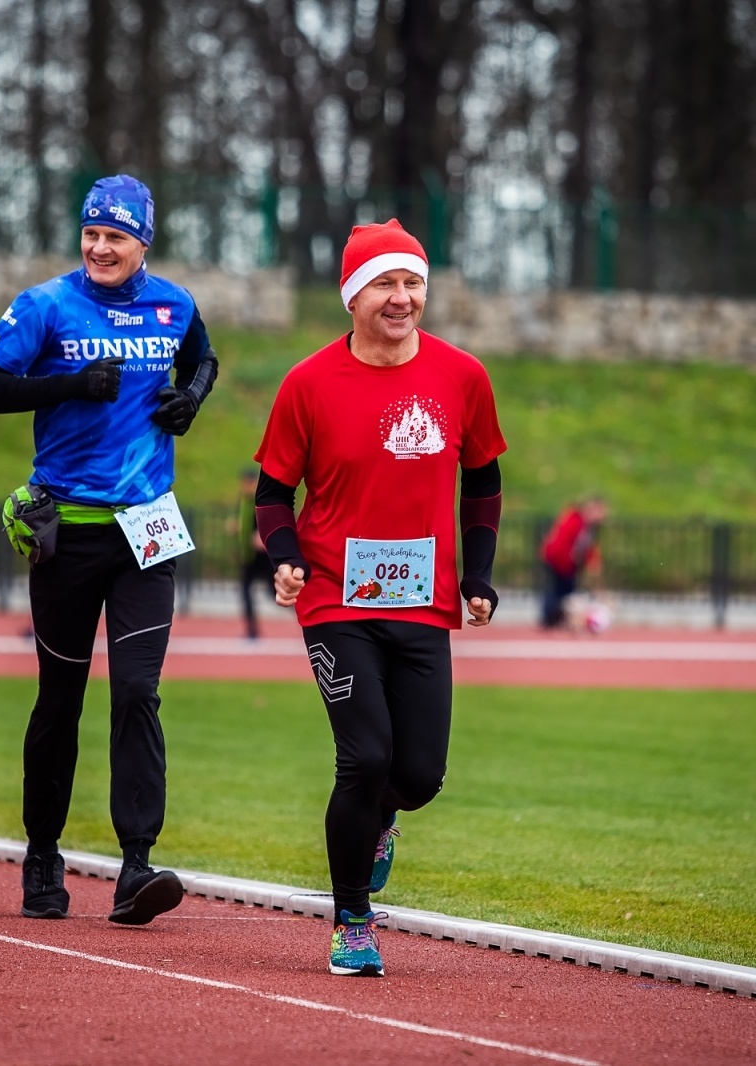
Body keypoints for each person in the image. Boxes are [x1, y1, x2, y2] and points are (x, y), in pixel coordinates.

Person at [0, 174, 218, 925]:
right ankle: (43, 854)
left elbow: (203, 360)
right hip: (67, 533)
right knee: (60, 702)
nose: (101, 247)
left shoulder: (176, 305)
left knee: (138, 692)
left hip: (147, 532)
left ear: (144, 243)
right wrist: (68, 382)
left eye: (117, 236)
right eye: (92, 234)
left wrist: (190, 400)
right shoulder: (46, 304)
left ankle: (137, 867)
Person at [253, 219, 505, 976]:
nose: (402, 298)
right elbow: (272, 492)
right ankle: (352, 919)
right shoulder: (309, 382)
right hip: (336, 596)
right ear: (352, 296)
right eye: (385, 284)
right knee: (364, 756)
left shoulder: (463, 377)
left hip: (422, 603)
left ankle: (383, 823)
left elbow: (484, 478)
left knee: (419, 775)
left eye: (413, 283)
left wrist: (479, 574)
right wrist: (288, 556)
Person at [539, 497, 608, 629]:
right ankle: (550, 619)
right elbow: (562, 544)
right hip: (558, 560)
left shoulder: (587, 525)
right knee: (559, 591)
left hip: (565, 562)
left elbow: (587, 548)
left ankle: (556, 619)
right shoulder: (576, 521)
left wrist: (591, 561)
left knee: (563, 591)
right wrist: (569, 563)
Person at [236, 466, 274, 639]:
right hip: (247, 556)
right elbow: (245, 521)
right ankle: (252, 631)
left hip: (263, 556)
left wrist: (262, 535)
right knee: (245, 592)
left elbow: (269, 519)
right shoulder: (244, 501)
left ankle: (303, 618)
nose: (247, 485)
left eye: (250, 482)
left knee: (276, 592)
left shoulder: (259, 500)